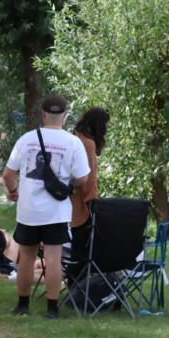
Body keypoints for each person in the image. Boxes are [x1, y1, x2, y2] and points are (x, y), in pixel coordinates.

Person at [1, 95, 90, 320]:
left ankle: (22, 305)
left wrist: (12, 191)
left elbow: (8, 174)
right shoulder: (72, 142)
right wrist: (69, 184)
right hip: (56, 211)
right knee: (53, 258)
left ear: (42, 114)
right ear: (65, 116)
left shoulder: (26, 139)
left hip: (29, 210)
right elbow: (82, 179)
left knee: (26, 258)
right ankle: (52, 308)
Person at [67, 107, 110, 282]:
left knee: (74, 249)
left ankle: (74, 283)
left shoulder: (72, 137)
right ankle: (79, 285)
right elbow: (89, 178)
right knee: (82, 247)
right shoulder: (87, 143)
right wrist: (92, 200)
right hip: (79, 204)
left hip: (63, 201)